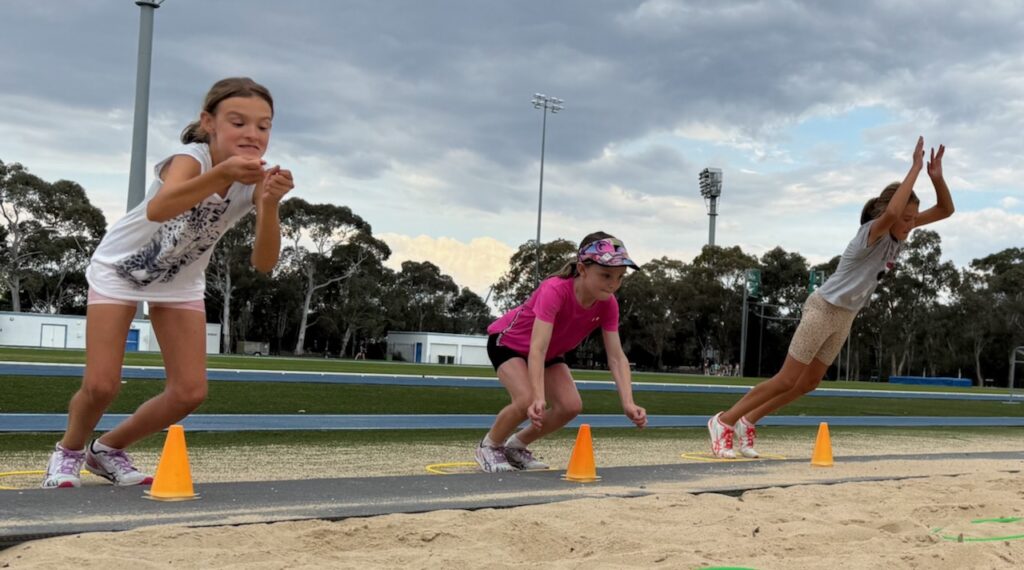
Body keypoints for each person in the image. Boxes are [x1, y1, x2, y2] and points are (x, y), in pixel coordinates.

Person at [42, 77, 294, 488]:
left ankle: (106, 451)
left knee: (189, 392)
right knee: (102, 385)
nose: (252, 134)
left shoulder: (254, 181)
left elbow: (264, 263)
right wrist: (222, 174)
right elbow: (161, 207)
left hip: (179, 283)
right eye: (238, 122)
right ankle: (67, 451)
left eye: (263, 126)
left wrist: (269, 203)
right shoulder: (190, 158)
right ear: (208, 122)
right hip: (121, 270)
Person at [708, 137, 954, 459]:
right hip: (823, 308)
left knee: (808, 383)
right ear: (890, 216)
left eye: (913, 218)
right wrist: (915, 168)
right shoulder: (872, 232)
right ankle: (723, 421)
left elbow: (946, 210)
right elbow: (894, 210)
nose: (911, 224)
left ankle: (747, 420)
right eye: (906, 219)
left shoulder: (901, 229)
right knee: (786, 379)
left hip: (845, 316)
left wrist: (936, 178)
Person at [475, 232, 648, 473]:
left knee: (570, 406)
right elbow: (538, 346)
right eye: (606, 275)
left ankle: (516, 447)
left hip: (548, 354)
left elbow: (617, 357)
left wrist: (628, 403)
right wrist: (538, 396)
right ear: (582, 268)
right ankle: (489, 446)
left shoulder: (608, 304)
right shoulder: (555, 290)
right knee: (526, 399)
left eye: (620, 277)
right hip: (509, 343)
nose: (613, 284)